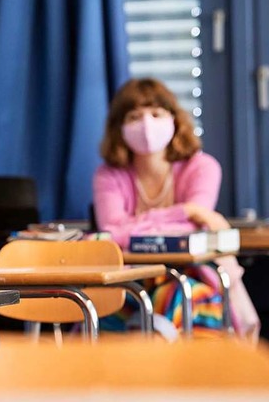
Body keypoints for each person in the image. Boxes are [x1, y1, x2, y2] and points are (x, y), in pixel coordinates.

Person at [93, 77, 259, 339]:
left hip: (197, 278)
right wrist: (184, 211)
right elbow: (111, 230)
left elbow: (191, 231)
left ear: (174, 119)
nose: (146, 124)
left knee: (173, 298)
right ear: (119, 128)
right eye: (134, 116)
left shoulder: (202, 168)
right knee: (106, 308)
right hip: (131, 279)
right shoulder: (108, 175)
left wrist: (133, 226)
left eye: (156, 113)